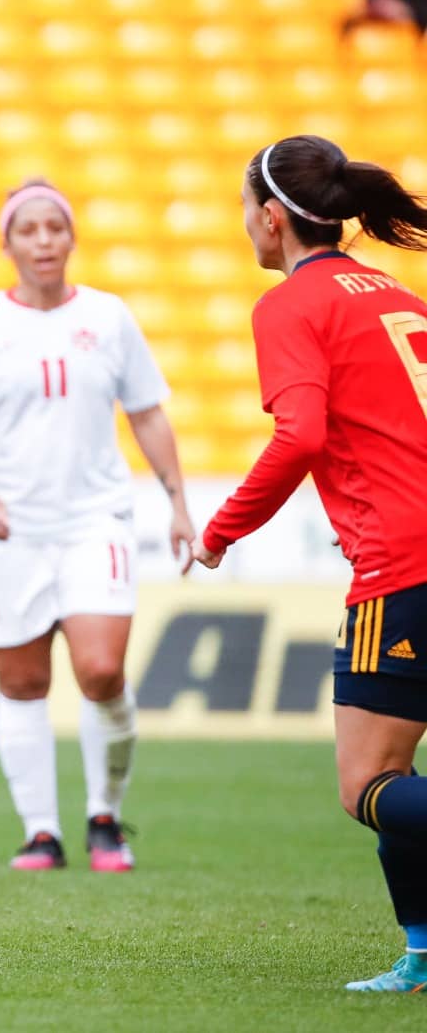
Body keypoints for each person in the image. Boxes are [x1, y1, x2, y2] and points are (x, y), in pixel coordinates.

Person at [191, 134, 427, 993]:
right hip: (406, 545)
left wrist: (221, 531)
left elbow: (302, 434)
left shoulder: (293, 305)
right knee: (397, 773)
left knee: (368, 781)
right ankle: (420, 955)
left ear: (269, 217)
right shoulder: (393, 291)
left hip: (403, 568)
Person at [0, 180, 194, 873]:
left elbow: (146, 411)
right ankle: (41, 832)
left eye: (56, 228)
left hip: (93, 520)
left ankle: (104, 815)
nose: (44, 241)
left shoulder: (109, 318)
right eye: (30, 229)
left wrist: (177, 500)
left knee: (101, 670)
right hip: (8, 527)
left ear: (71, 237)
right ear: (8, 243)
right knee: (22, 685)